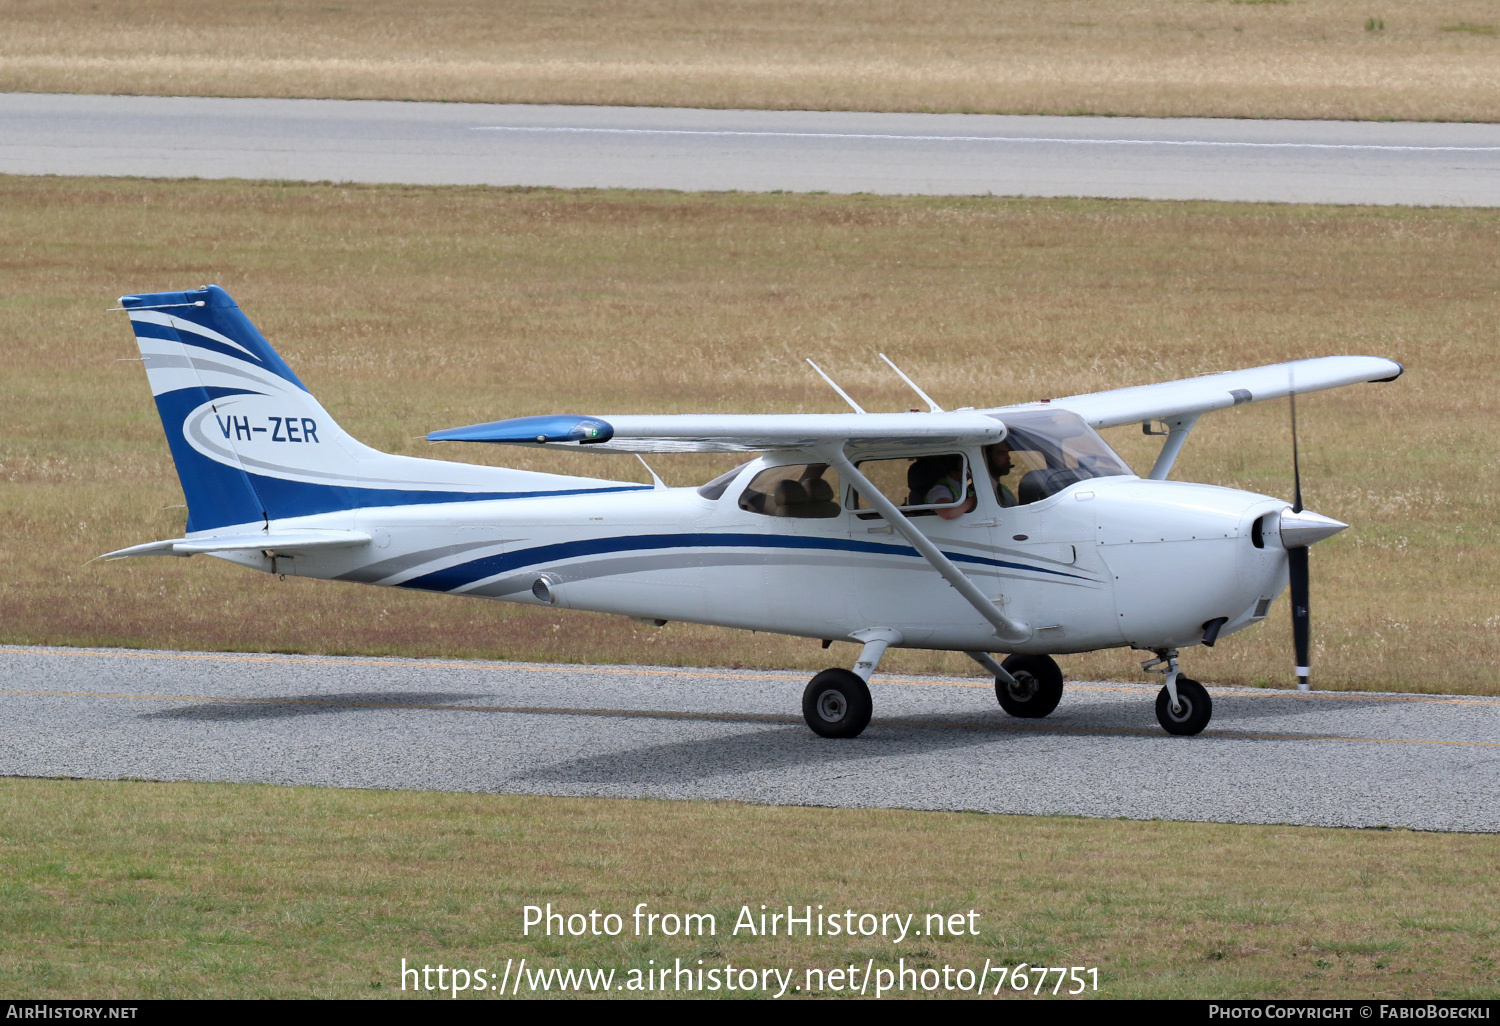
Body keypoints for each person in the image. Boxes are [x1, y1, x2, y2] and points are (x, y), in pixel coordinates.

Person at [923, 454, 976, 520]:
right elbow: (948, 513)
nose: (970, 466)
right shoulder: (940, 490)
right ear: (953, 466)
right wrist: (975, 499)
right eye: (966, 463)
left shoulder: (962, 485)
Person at [984, 442, 1019, 508]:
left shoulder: (1005, 490)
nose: (1008, 458)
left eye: (1007, 452)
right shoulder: (978, 493)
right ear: (988, 458)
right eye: (1001, 453)